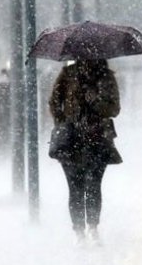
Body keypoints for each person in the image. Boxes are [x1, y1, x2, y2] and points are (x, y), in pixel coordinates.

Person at [49, 59, 122, 245]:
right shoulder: (68, 74)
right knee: (75, 187)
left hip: (97, 139)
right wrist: (64, 122)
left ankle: (93, 227)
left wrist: (96, 101)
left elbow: (114, 109)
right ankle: (79, 231)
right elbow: (54, 102)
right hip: (71, 141)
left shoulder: (106, 76)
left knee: (94, 185)